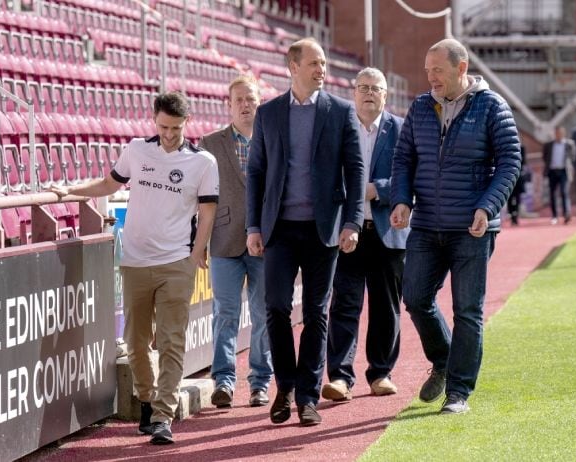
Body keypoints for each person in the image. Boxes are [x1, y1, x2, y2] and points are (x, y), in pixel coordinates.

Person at [51, 91, 219, 444]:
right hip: (136, 262)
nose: (169, 134)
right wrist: (71, 191)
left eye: (175, 128)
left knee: (172, 341)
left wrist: (195, 254)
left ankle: (162, 416)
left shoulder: (203, 162)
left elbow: (207, 213)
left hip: (177, 263)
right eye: (163, 127)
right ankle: (146, 400)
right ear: (153, 121)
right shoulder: (136, 150)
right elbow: (110, 183)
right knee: (137, 342)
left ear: (186, 123)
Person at [390, 38, 521, 415]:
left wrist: (486, 207)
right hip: (427, 224)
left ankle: (459, 391)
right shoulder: (420, 106)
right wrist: (402, 199)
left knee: (467, 310)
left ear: (460, 68)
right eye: (427, 70)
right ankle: (444, 361)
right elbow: (403, 159)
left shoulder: (492, 106)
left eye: (438, 70)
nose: (430, 77)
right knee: (414, 297)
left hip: (472, 228)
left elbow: (510, 163)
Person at [246, 37, 364, 426]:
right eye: (314, 63)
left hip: (323, 231)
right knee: (276, 307)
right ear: (292, 67)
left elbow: (355, 170)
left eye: (324, 63)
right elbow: (257, 173)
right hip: (278, 229)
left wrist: (352, 221)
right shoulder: (268, 113)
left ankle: (308, 396)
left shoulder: (341, 111)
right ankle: (286, 386)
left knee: (316, 312)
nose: (322, 69)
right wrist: (252, 226)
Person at [321, 67, 408, 403]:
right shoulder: (338, 129)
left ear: (385, 95)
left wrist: (376, 190)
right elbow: (326, 174)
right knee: (344, 305)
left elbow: (408, 177)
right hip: (347, 231)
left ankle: (381, 372)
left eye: (376, 88)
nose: (369, 93)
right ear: (353, 93)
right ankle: (341, 377)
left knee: (386, 307)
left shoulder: (400, 129)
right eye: (363, 87)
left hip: (388, 232)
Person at [199, 75, 272, 409]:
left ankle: (260, 383)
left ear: (260, 103)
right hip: (225, 242)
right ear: (229, 105)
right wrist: (197, 242)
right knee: (225, 314)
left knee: (263, 314)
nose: (246, 105)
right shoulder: (210, 145)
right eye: (239, 99)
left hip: (266, 243)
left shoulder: (274, 140)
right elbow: (197, 198)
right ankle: (224, 382)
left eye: (251, 99)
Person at [543, 126, 576, 224]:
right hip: (552, 171)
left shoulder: (569, 144)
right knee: (552, 194)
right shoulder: (548, 145)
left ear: (563, 133)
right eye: (556, 133)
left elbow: (573, 157)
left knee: (564, 192)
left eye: (560, 132)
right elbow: (545, 156)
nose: (558, 134)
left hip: (564, 171)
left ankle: (567, 214)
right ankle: (554, 216)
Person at [506, 145, 527, 225]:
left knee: (518, 197)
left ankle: (516, 215)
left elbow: (524, 161)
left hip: (518, 177)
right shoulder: (507, 147)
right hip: (508, 177)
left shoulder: (522, 148)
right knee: (509, 197)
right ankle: (512, 215)